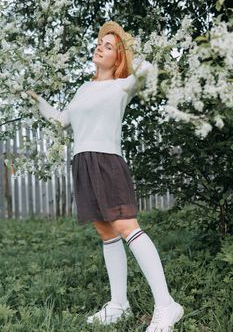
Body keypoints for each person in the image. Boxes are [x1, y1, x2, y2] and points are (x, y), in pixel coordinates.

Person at [27, 20, 184, 332]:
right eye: (100, 42)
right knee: (106, 232)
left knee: (127, 227)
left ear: (119, 57)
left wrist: (127, 45)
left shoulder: (123, 86)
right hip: (82, 161)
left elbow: (148, 68)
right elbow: (62, 121)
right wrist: (38, 101)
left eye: (109, 46)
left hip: (107, 161)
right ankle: (119, 304)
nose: (100, 46)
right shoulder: (83, 88)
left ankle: (167, 305)